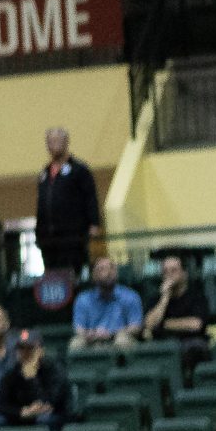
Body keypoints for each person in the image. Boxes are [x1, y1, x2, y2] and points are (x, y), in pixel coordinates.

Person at [34, 127, 100, 276]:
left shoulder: (79, 170)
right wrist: (38, 233)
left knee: (72, 274)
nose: (53, 145)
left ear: (66, 142)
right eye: (50, 141)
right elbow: (40, 205)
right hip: (49, 240)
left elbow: (90, 197)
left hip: (72, 237)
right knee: (52, 275)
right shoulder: (44, 173)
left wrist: (94, 224)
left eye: (57, 140)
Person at [0, 331, 69, 431]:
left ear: (40, 351)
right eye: (21, 349)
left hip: (50, 415)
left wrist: (32, 379)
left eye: (30, 349)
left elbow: (53, 401)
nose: (24, 353)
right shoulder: (11, 374)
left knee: (44, 419)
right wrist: (22, 412)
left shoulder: (53, 370)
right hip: (20, 416)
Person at [143, 254, 214, 356]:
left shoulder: (197, 297)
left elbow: (195, 324)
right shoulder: (156, 299)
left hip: (190, 344)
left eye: (173, 270)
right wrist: (165, 297)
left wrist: (163, 324)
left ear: (184, 274)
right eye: (165, 271)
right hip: (162, 346)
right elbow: (150, 325)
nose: (169, 275)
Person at [70, 257, 142, 347]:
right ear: (93, 275)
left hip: (119, 337)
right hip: (92, 339)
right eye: (101, 269)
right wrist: (93, 334)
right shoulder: (83, 299)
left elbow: (136, 327)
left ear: (116, 273)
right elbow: (79, 329)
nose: (107, 273)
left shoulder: (130, 296)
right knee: (76, 343)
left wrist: (112, 334)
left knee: (122, 341)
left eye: (111, 268)